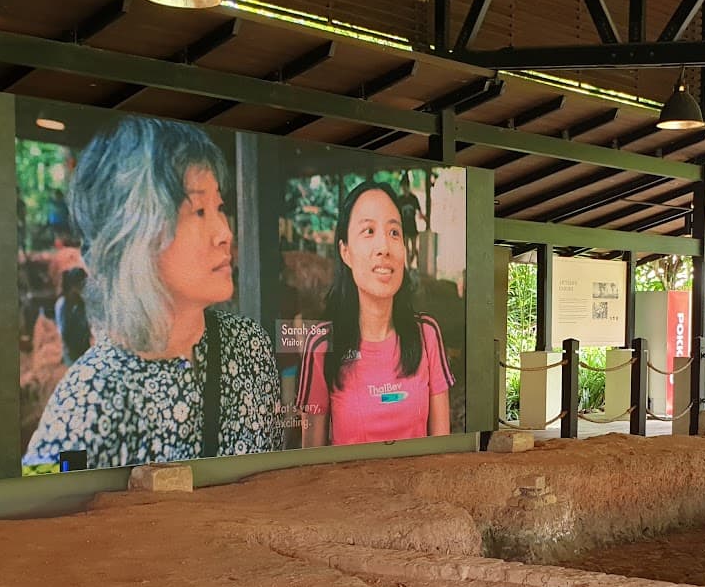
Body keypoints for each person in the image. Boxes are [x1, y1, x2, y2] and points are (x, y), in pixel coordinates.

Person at [24, 115, 282, 470]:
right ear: (134, 234)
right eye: (199, 211)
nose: (225, 232)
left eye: (220, 208)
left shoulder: (250, 346)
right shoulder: (87, 400)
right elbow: (39, 500)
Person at [297, 179, 453, 446]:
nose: (384, 247)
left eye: (394, 233)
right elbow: (311, 460)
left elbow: (443, 450)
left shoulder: (426, 335)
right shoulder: (322, 344)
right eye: (368, 231)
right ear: (345, 251)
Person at [54, 266, 91, 365]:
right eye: (81, 284)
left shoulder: (81, 302)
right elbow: (63, 331)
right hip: (72, 351)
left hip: (84, 348)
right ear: (73, 285)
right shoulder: (63, 304)